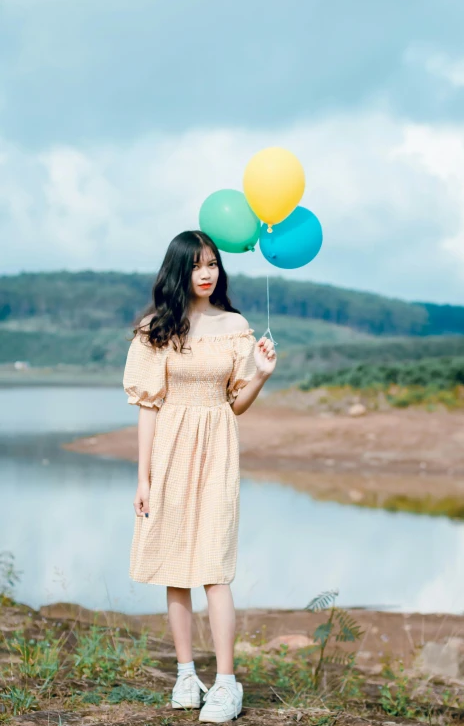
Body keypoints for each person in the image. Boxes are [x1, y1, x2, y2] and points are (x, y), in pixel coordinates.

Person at [122, 229, 276, 722]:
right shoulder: (156, 328)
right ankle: (187, 676)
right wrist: (143, 478)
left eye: (212, 263)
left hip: (217, 447)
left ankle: (227, 684)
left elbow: (236, 406)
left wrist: (260, 376)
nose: (206, 273)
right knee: (175, 567)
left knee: (214, 566)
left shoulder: (235, 325)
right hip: (169, 447)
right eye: (196, 265)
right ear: (178, 271)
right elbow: (148, 408)